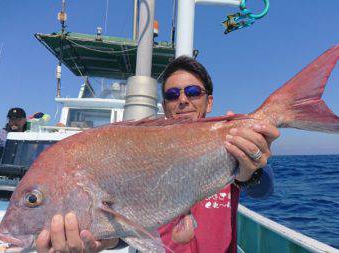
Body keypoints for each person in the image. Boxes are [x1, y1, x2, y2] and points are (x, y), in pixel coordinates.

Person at [36, 56, 280, 252]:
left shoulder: (229, 143)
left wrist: (251, 172)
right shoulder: (138, 153)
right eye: (172, 95)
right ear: (164, 106)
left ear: (210, 102)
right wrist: (104, 240)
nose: (182, 100)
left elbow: (264, 191)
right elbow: (127, 220)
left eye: (193, 92)